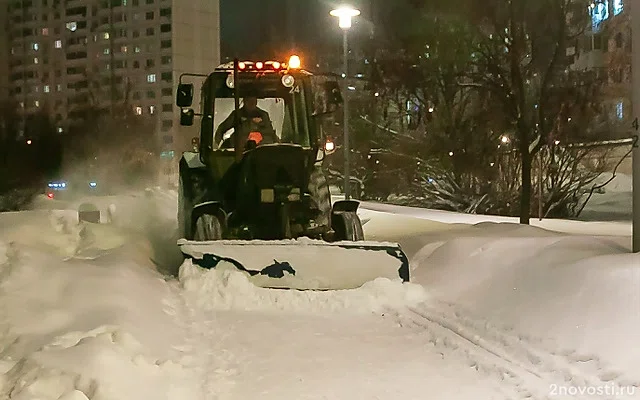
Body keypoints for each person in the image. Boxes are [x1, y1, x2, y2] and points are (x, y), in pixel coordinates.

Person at [214, 96, 279, 149]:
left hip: (260, 151)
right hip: (238, 151)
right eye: (249, 101)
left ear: (256, 102)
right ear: (244, 101)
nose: (251, 104)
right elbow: (222, 128)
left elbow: (269, 132)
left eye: (253, 101)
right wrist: (215, 145)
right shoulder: (237, 114)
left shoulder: (263, 115)